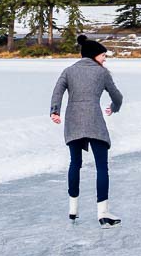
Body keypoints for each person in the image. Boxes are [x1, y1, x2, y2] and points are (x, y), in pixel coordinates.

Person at [50, 35, 123, 228]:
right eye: (103, 55)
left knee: (75, 163)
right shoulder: (102, 73)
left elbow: (57, 91)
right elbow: (117, 96)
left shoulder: (68, 71)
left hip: (73, 120)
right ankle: (103, 212)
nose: (105, 59)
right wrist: (114, 107)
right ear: (93, 56)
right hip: (94, 120)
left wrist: (55, 111)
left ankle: (73, 209)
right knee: (102, 167)